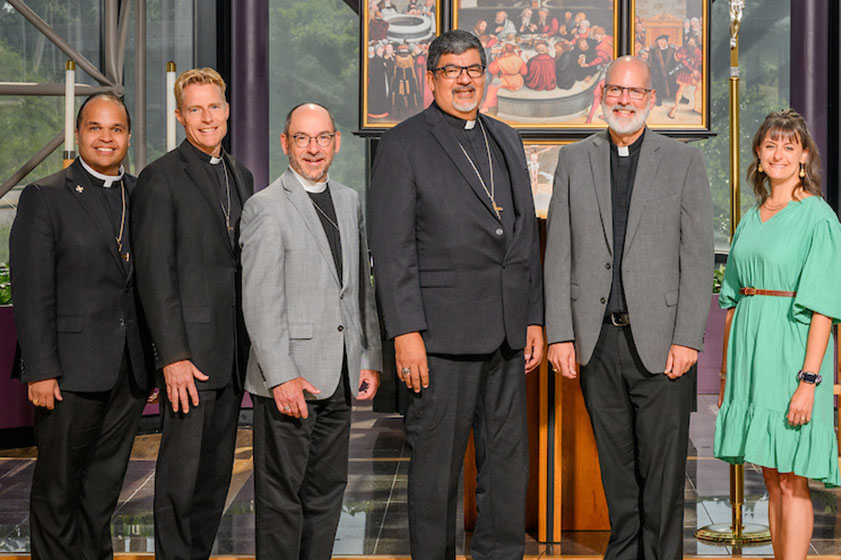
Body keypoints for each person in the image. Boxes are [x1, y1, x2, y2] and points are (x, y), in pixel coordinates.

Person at [366, 29, 544, 560]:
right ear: (432, 78)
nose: (464, 79)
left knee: (508, 469)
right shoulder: (403, 143)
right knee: (436, 476)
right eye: (452, 70)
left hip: (508, 336)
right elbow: (392, 250)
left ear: (485, 76)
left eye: (473, 69)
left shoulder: (505, 137)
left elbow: (521, 236)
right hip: (440, 339)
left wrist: (533, 317)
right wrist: (405, 333)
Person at [544, 56, 713, 560]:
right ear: (602, 95)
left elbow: (697, 255)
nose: (624, 99)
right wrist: (559, 333)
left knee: (662, 475)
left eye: (635, 92)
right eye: (615, 90)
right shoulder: (574, 160)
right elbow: (559, 253)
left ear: (650, 101)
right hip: (597, 342)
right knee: (615, 473)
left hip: (662, 343)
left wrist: (687, 338)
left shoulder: (682, 161)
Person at [11, 93, 152, 560]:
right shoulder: (45, 196)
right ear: (78, 133)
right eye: (96, 128)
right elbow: (32, 294)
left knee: (102, 493)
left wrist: (149, 359)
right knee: (58, 492)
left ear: (128, 137)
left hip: (127, 373)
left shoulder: (140, 194)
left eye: (116, 129)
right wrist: (40, 369)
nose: (106, 138)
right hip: (67, 373)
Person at [240, 103, 383, 560]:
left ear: (336, 142)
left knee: (327, 492)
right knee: (282, 499)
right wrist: (280, 376)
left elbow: (359, 287)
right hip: (291, 378)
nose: (313, 148)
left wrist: (368, 358)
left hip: (339, 371)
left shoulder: (348, 199)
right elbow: (260, 301)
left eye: (322, 137)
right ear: (285, 144)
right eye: (302, 138)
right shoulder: (264, 206)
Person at [714, 109, 841, 560]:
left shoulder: (817, 218)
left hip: (792, 353)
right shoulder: (752, 217)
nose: (779, 153)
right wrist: (726, 372)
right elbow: (732, 297)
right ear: (758, 153)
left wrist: (808, 382)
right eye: (771, 145)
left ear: (804, 156)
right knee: (771, 476)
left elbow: (825, 309)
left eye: (789, 146)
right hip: (752, 357)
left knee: (792, 477)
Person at [132, 67, 255, 560]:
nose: (207, 117)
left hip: (232, 355)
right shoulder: (160, 178)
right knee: (180, 480)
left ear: (227, 112)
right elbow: (155, 277)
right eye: (196, 109)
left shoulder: (241, 175)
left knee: (214, 477)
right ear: (180, 116)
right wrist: (173, 355)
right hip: (190, 358)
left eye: (215, 107)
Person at [647, 35, 677, 107]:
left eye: (662, 41)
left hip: (670, 71)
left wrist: (672, 70)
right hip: (658, 72)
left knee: (674, 80)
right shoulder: (654, 51)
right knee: (657, 81)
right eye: (659, 42)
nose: (660, 43)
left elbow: (675, 62)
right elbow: (651, 62)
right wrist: (655, 71)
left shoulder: (672, 50)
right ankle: (658, 98)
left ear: (666, 42)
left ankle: (677, 96)